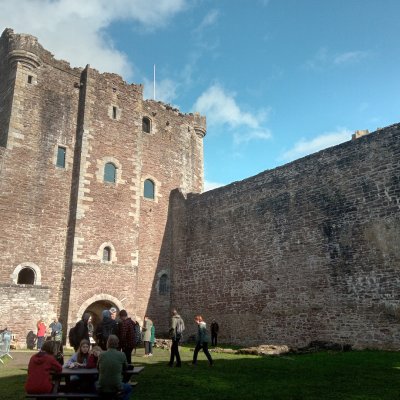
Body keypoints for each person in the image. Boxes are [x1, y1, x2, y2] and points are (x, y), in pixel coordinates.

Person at [97, 335, 132, 400]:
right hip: (116, 385)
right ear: (117, 344)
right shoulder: (122, 354)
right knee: (129, 388)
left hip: (102, 386)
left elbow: (98, 368)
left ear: (107, 343)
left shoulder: (101, 354)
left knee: (94, 383)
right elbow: (125, 367)